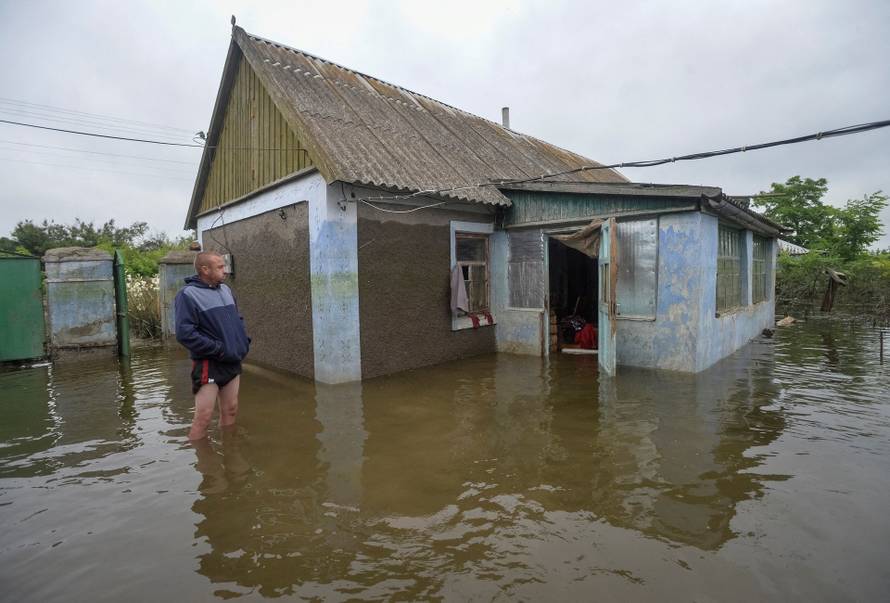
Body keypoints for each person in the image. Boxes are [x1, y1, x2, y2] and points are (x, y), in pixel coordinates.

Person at [175, 252, 250, 440]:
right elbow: (185, 334)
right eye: (220, 267)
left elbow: (237, 319)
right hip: (209, 363)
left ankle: (229, 450)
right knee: (204, 417)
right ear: (204, 269)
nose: (225, 271)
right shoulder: (187, 295)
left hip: (232, 360)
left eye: (224, 266)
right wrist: (218, 349)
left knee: (231, 410)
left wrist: (243, 342)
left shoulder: (226, 290)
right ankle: (205, 466)